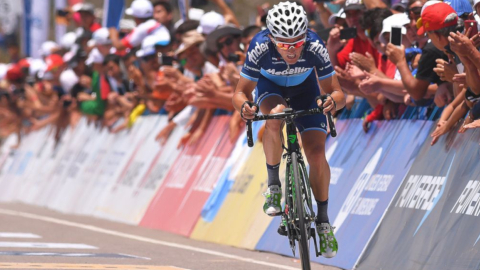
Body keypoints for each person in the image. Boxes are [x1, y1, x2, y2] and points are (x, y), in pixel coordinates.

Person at [232, 1, 345, 258]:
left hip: (306, 90)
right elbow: (240, 92)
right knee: (276, 116)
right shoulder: (260, 47)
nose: (292, 50)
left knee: (316, 154)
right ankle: (273, 186)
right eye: (284, 44)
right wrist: (245, 107)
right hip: (271, 87)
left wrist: (331, 101)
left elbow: (338, 93)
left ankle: (324, 222)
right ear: (272, 38)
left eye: (297, 43)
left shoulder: (315, 45)